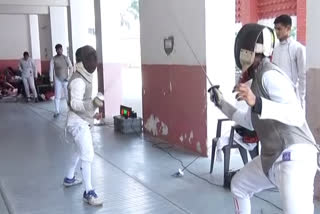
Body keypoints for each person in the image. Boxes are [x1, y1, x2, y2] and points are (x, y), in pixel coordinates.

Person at [209, 23, 318, 214]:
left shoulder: (270, 75)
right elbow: (251, 122)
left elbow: (296, 114)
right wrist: (222, 103)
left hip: (295, 157)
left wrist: (257, 102)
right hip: (272, 158)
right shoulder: (256, 81)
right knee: (239, 186)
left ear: (255, 53)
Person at [63, 45, 104, 206]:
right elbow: (75, 103)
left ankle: (69, 177)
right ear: (83, 61)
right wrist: (92, 105)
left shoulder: (83, 75)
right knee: (87, 155)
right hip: (77, 124)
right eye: (90, 58)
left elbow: (84, 104)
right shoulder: (79, 79)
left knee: (78, 151)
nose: (93, 61)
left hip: (80, 121)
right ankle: (89, 192)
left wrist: (93, 113)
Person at [272, 14, 306, 110]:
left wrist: (301, 100)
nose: (276, 32)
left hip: (292, 97)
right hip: (277, 96)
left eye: (279, 29)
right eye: (275, 29)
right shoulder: (275, 49)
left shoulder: (298, 48)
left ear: (288, 28)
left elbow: (303, 77)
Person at [49, 44, 73, 118]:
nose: (59, 50)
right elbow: (51, 70)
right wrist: (51, 80)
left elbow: (71, 68)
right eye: (58, 49)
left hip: (66, 79)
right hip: (57, 79)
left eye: (60, 49)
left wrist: (69, 78)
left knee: (67, 96)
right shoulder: (53, 59)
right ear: (56, 50)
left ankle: (70, 111)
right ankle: (57, 111)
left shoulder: (66, 58)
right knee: (57, 96)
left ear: (62, 49)